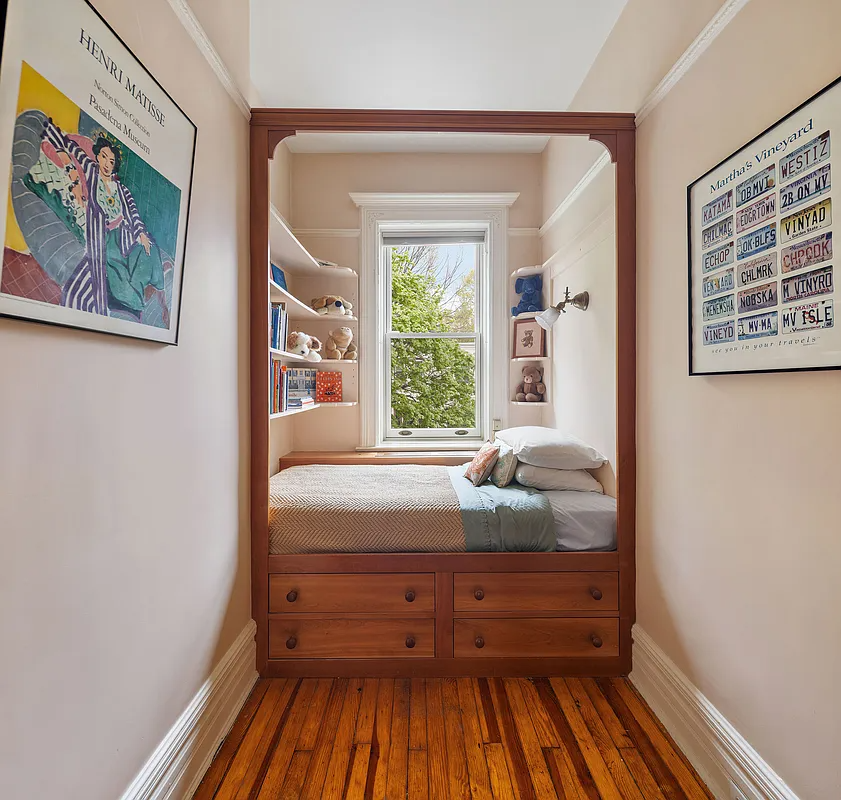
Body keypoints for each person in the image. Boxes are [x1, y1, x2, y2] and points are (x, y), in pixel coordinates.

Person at [41, 120, 165, 322]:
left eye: (111, 160)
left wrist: (140, 233)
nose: (107, 163)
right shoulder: (91, 171)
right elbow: (72, 148)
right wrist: (63, 149)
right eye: (104, 157)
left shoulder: (122, 190)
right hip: (99, 238)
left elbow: (133, 214)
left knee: (146, 250)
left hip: (122, 239)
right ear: (97, 156)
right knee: (82, 284)